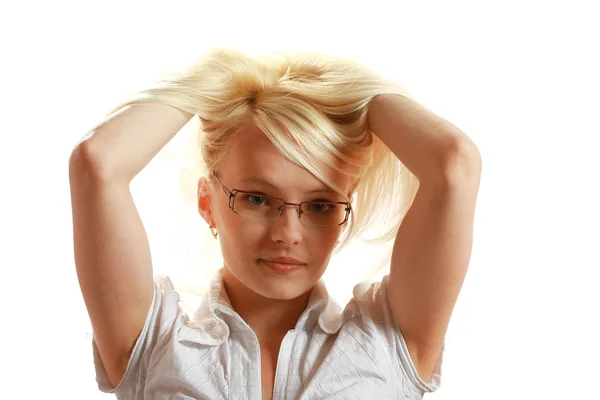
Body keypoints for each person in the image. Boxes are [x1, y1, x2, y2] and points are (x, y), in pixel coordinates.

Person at [68, 48, 482, 400]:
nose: (287, 233)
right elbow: (97, 163)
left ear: (342, 216)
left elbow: (455, 161)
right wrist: (215, 78)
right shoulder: (155, 344)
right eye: (257, 198)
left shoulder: (387, 342)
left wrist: (346, 90)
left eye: (320, 205)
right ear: (208, 202)